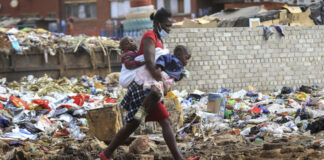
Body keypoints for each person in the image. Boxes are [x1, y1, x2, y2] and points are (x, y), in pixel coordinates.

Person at [100, 8, 197, 160]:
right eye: (166, 25)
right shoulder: (149, 37)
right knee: (165, 121)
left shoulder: (160, 39)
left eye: (170, 26)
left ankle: (106, 154)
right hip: (144, 88)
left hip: (148, 92)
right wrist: (163, 79)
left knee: (134, 123)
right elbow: (151, 65)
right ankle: (179, 159)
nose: (169, 29)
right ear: (157, 23)